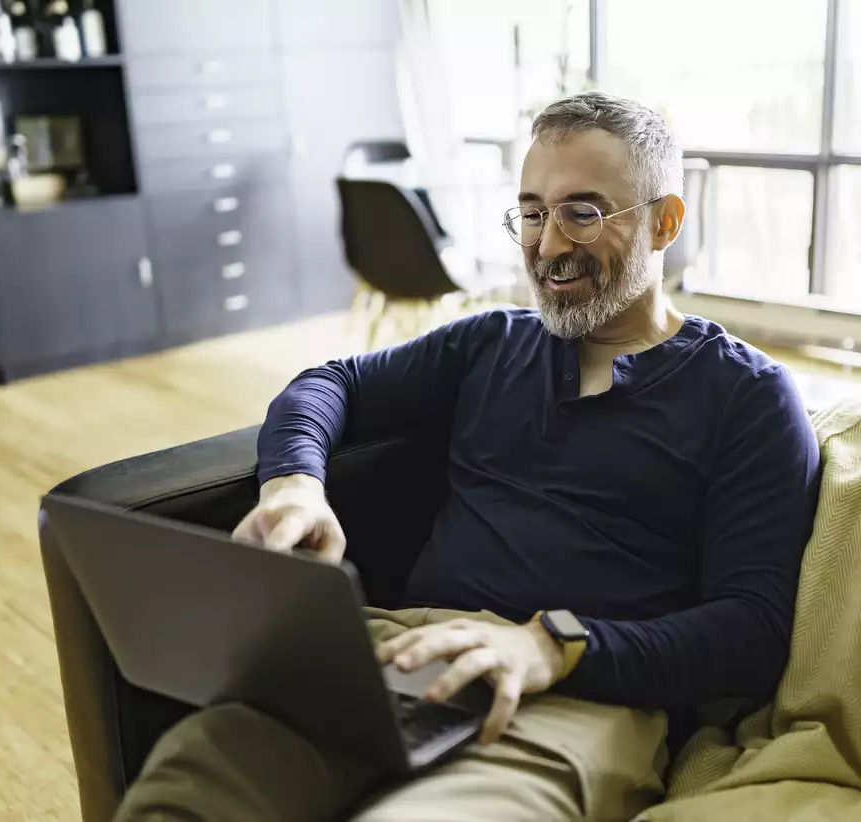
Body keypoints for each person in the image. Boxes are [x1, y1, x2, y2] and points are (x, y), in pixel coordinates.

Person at [115, 92, 821, 822]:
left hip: (575, 703)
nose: (547, 247)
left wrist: (557, 645)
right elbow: (331, 384)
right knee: (186, 790)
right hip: (393, 656)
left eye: (583, 212)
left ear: (665, 221)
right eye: (533, 212)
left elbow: (752, 630)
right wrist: (294, 484)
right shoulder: (492, 341)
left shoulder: (747, 395)